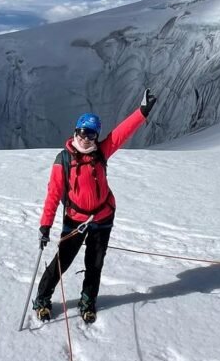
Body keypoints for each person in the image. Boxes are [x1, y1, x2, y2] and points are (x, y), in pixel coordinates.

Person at [32, 88, 157, 324]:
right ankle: (42, 299)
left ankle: (88, 303)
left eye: (91, 135)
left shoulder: (101, 152)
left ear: (96, 136)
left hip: (103, 217)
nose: (86, 138)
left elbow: (121, 133)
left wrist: (142, 112)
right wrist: (45, 225)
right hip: (75, 220)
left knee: (95, 264)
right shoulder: (64, 160)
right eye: (82, 133)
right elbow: (53, 195)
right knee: (62, 261)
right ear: (75, 132)